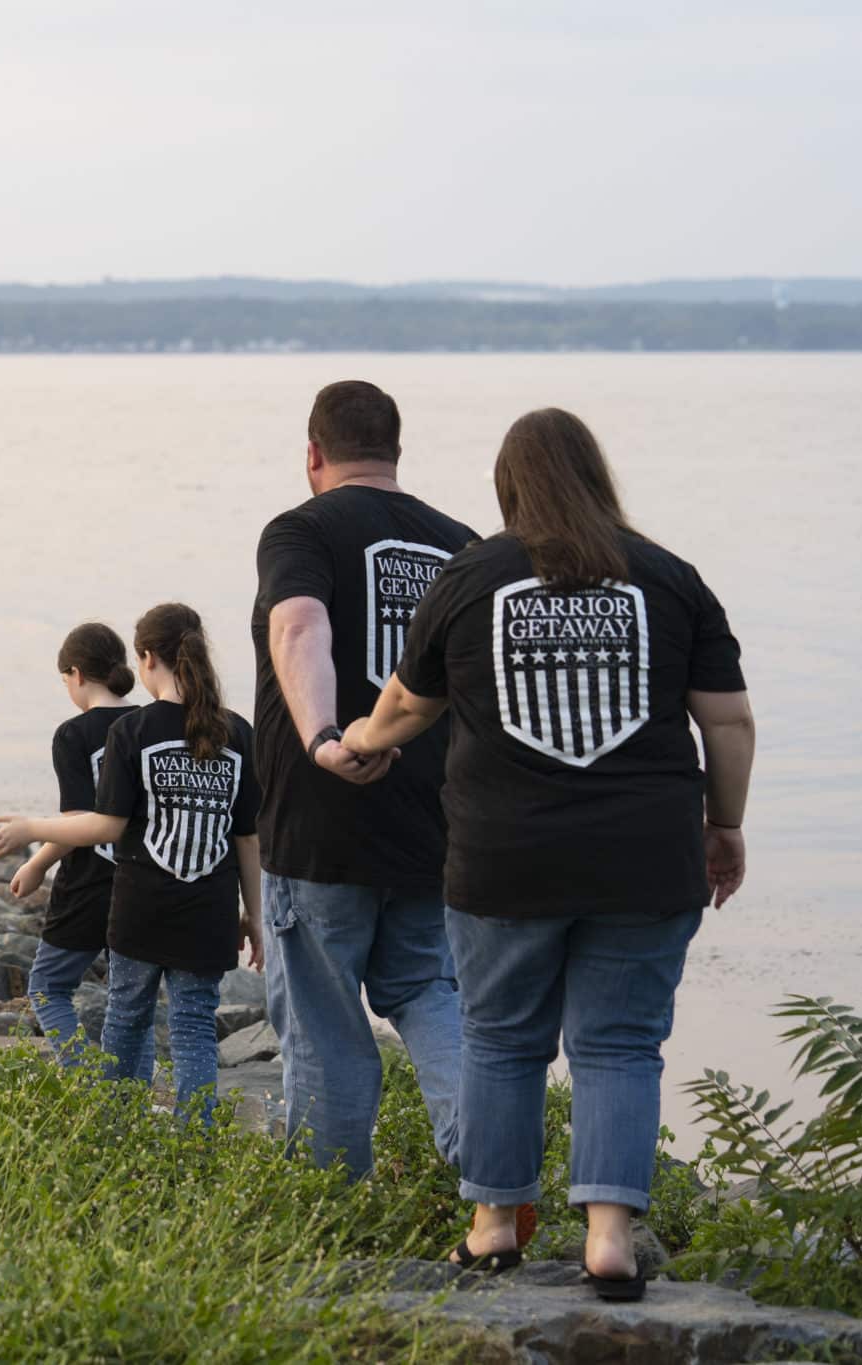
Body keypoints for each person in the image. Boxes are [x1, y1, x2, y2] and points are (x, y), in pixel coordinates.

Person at [342, 407, 752, 1300]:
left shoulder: (470, 576)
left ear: (508, 487)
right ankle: (609, 1237)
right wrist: (725, 823)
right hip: (646, 857)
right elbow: (728, 719)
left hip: (504, 861)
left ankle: (493, 1227)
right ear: (596, 477)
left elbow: (407, 705)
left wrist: (360, 741)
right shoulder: (671, 578)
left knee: (499, 1037)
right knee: (618, 1043)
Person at [250, 380, 475, 1179]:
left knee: (321, 1019)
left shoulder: (300, 530)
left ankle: (328, 1202)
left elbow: (299, 622)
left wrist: (321, 737)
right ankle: (490, 1165)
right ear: (397, 454)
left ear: (312, 453)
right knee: (429, 991)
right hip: (435, 827)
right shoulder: (464, 545)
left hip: (319, 827)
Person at [0, 604, 262, 1120]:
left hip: (141, 908)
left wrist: (32, 830)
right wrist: (255, 917)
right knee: (194, 1032)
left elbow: (106, 825)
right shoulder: (239, 733)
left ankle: (115, 1131)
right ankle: (194, 1150)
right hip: (210, 910)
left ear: (148, 658)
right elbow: (247, 838)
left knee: (127, 1021)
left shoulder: (133, 732)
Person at [7, 623, 138, 1059]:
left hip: (87, 884)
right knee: (129, 1000)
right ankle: (127, 1097)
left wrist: (36, 862)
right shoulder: (147, 723)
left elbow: (77, 822)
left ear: (76, 674)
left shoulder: (73, 734)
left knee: (47, 986)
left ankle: (83, 1081)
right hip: (144, 880)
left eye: (64, 679)